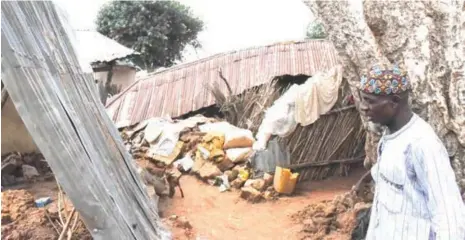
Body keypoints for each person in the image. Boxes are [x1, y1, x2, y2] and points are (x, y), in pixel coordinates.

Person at [358, 63, 465, 240]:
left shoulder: (421, 144)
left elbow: (448, 215)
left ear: (394, 101)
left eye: (369, 100)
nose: (363, 107)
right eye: (363, 100)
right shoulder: (389, 135)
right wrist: (365, 179)